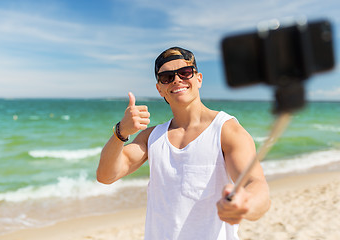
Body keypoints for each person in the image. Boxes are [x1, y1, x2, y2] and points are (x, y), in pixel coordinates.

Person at [96, 47, 270, 240]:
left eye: (185, 73)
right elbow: (106, 175)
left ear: (198, 78)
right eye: (167, 77)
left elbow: (255, 184)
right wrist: (121, 131)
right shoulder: (152, 137)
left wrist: (245, 204)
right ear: (160, 89)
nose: (177, 80)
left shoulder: (226, 130)